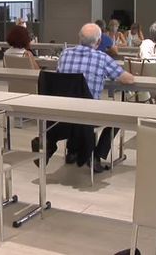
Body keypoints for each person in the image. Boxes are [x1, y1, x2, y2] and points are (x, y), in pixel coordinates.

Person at [32, 23, 134, 173]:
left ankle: (59, 145)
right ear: (98, 42)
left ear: (79, 39)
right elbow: (127, 79)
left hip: (61, 115)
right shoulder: (102, 57)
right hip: (88, 116)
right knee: (121, 116)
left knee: (74, 108)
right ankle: (96, 155)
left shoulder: (65, 54)